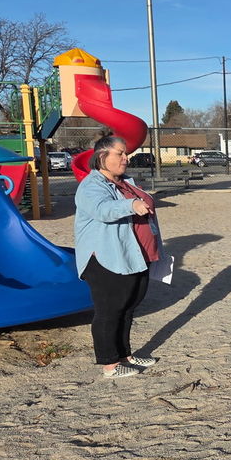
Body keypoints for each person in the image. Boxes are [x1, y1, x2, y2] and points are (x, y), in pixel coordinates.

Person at [74, 135, 164, 379]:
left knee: (128, 306)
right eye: (120, 154)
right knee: (110, 309)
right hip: (107, 257)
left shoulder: (124, 182)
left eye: (126, 154)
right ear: (102, 157)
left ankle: (124, 355)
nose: (126, 158)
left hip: (133, 255)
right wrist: (131, 206)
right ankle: (109, 364)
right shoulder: (92, 185)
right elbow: (102, 210)